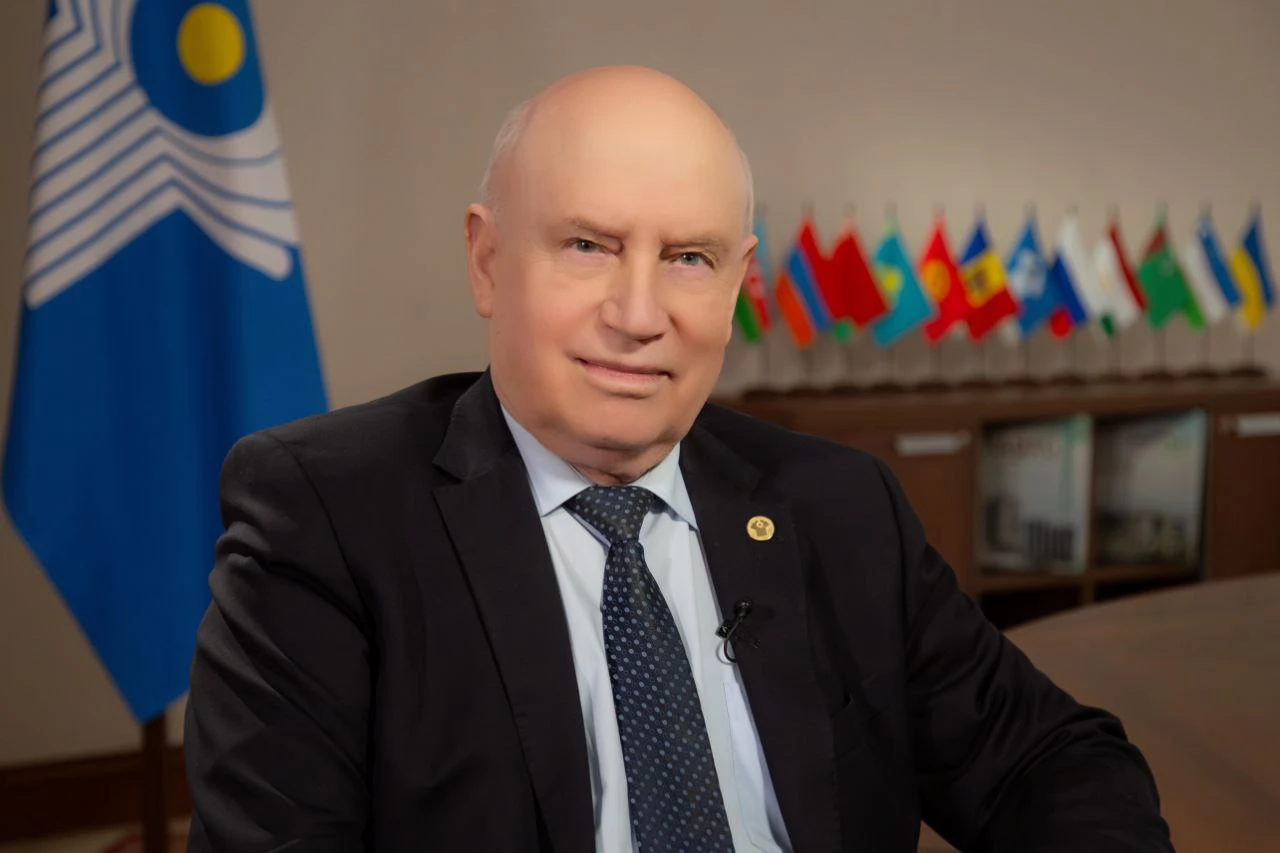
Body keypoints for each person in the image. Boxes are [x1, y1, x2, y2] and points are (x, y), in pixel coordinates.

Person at [184, 66, 1172, 852]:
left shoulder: (839, 504)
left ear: (737, 285)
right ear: (487, 262)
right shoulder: (326, 515)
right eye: (588, 245)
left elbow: (1053, 760)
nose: (638, 313)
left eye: (688, 259)